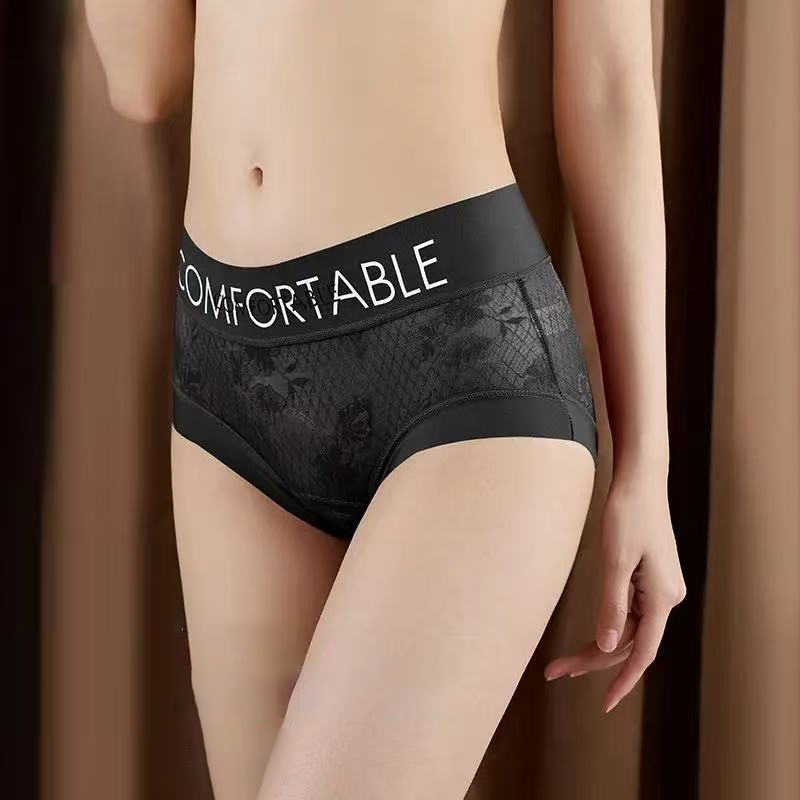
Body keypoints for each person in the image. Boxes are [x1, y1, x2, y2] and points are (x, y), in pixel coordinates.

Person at [88, 2, 686, 798]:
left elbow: (609, 84)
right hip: (227, 372)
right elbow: (142, 78)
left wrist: (646, 462)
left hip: (459, 356)